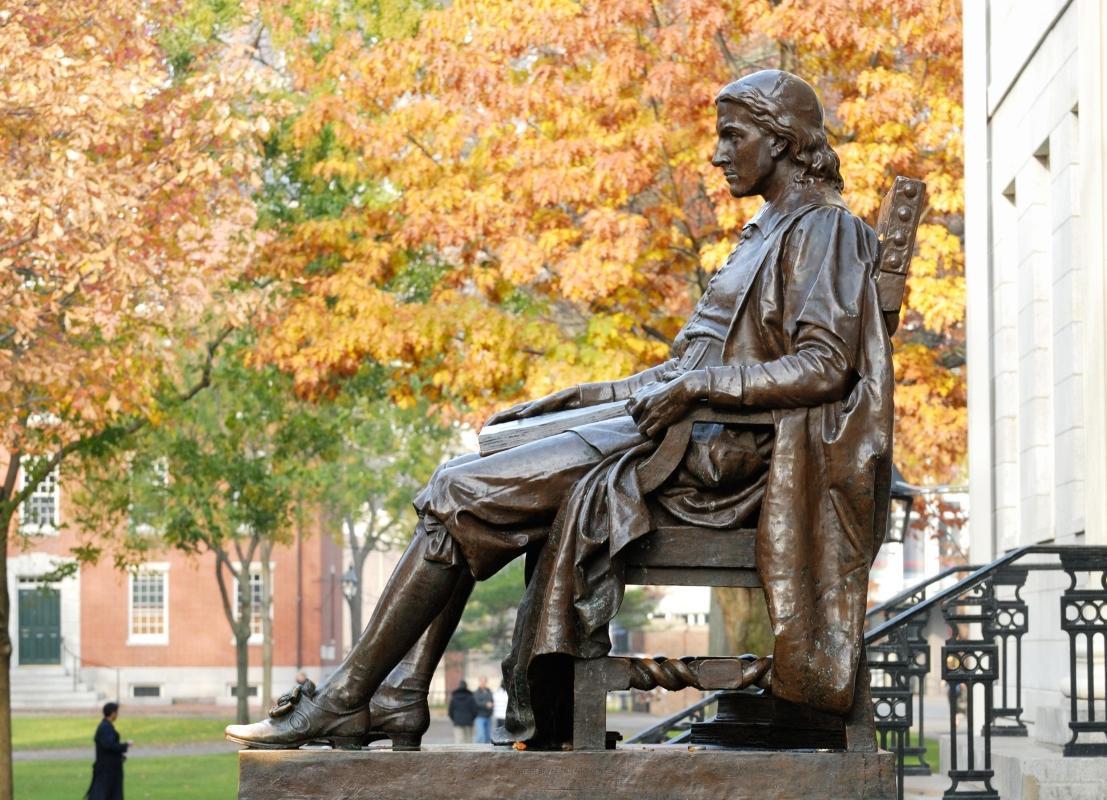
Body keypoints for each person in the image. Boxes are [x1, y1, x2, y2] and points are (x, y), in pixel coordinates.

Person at [226, 68, 893, 751]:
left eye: (731, 136)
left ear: (780, 141)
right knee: (464, 470)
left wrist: (694, 391)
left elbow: (823, 366)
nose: (716, 153)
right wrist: (582, 396)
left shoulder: (824, 231)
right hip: (683, 437)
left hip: (719, 464)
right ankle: (394, 694)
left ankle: (350, 698)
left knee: (457, 490)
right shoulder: (766, 231)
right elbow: (684, 369)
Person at [86, 702, 131, 800]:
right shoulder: (105, 727)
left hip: (109, 768)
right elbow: (109, 745)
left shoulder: (106, 726)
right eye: (116, 712)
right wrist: (125, 745)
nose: (117, 715)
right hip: (107, 769)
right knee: (103, 794)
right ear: (112, 713)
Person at [472, 676, 494, 744]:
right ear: (479, 682)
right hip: (480, 716)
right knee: (480, 735)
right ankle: (476, 750)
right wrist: (486, 704)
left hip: (488, 716)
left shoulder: (489, 691)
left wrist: (492, 705)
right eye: (482, 681)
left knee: (488, 736)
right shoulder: (476, 692)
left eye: (484, 681)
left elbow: (492, 700)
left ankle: (487, 752)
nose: (483, 683)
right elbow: (476, 703)